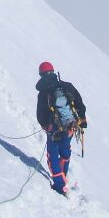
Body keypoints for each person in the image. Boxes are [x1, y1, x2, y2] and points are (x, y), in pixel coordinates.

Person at [36, 61, 87, 196]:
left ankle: (60, 185)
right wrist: (83, 119)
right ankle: (63, 174)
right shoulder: (66, 86)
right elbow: (80, 103)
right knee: (65, 150)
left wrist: (46, 125)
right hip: (71, 126)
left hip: (54, 129)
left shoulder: (43, 93)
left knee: (52, 154)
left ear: (41, 74)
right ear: (53, 71)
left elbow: (40, 114)